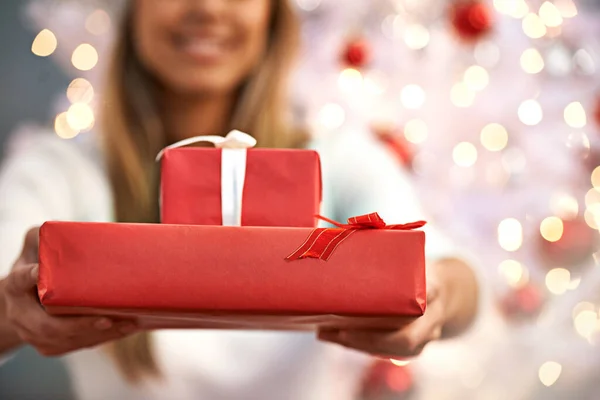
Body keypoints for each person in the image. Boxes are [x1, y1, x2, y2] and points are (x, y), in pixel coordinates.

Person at [0, 1, 479, 399]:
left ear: (272, 15)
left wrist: (435, 296)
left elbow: (451, 276)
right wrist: (12, 311)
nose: (208, 8)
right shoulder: (63, 168)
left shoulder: (337, 156)